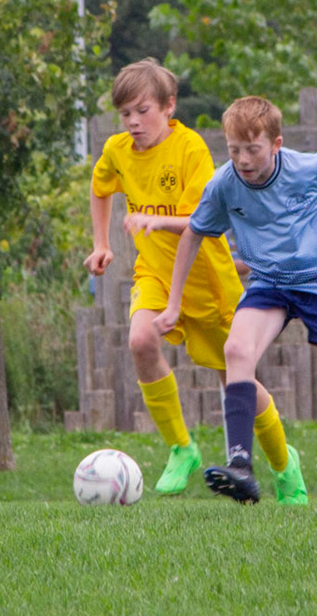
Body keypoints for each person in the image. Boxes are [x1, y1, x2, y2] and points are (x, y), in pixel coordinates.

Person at [158, 96, 317, 505]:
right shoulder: (225, 183)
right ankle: (241, 466)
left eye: (253, 149)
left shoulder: (306, 169)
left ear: (276, 144)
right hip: (270, 282)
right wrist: (173, 304)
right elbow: (194, 233)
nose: (243, 160)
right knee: (236, 350)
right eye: (234, 150)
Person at [85, 60, 299, 498]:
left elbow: (200, 223)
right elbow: (100, 186)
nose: (133, 122)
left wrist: (155, 220)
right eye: (125, 113)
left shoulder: (190, 150)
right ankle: (182, 448)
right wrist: (101, 243)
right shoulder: (117, 150)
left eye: (142, 110)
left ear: (169, 106)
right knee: (140, 341)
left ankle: (284, 465)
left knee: (237, 382)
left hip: (208, 284)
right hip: (155, 273)